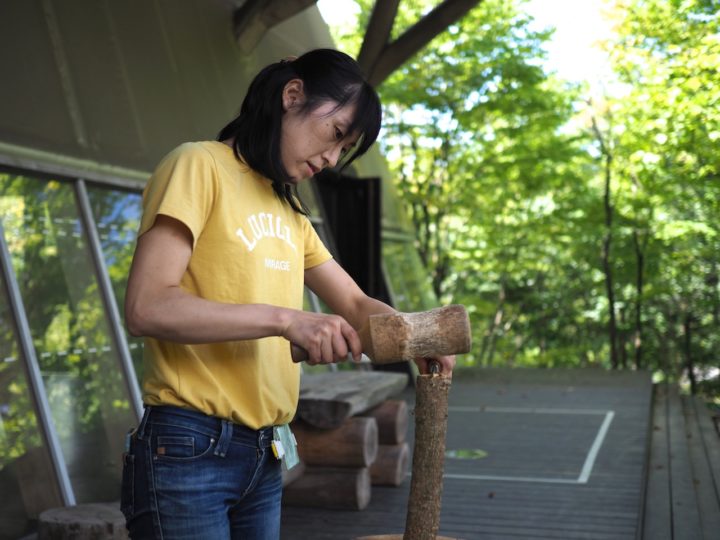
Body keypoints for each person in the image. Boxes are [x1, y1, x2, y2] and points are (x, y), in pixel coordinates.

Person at [120, 48, 455, 540]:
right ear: (292, 95)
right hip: (188, 448)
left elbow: (357, 305)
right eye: (336, 134)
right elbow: (147, 306)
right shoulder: (198, 165)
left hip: (266, 452)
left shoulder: (291, 212)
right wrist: (287, 320)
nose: (332, 159)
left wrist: (417, 338)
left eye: (345, 150)